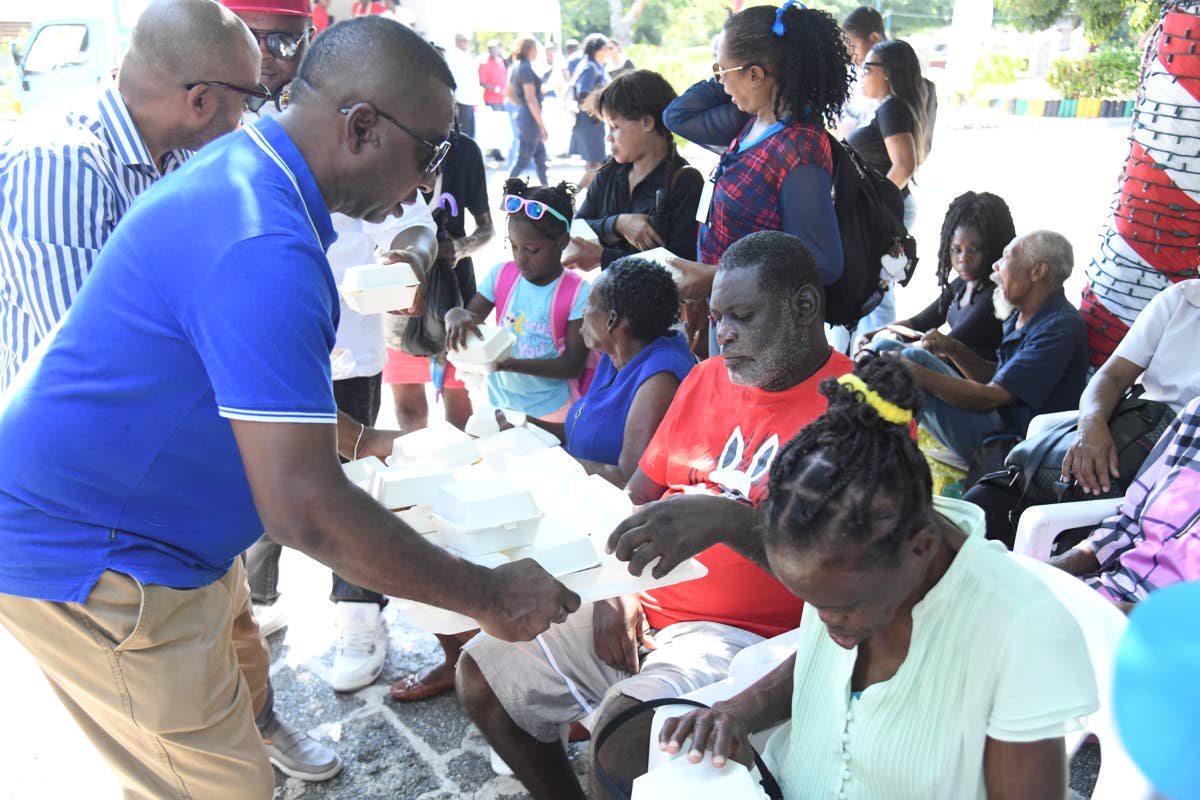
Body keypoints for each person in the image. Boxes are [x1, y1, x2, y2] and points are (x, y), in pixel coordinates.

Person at [0, 18, 580, 799]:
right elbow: (303, 511)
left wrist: (361, 440)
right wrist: (490, 596)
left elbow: (240, 382)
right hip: (101, 556)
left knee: (241, 700)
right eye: (431, 153)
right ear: (363, 127)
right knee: (222, 788)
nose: (427, 185)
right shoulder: (260, 239)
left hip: (173, 545)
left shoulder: (251, 178)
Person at [456, 231, 855, 800]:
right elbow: (632, 499)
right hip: (637, 604)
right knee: (485, 673)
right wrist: (609, 591)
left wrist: (728, 521)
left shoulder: (857, 414)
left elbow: (853, 586)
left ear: (805, 307)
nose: (725, 334)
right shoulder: (705, 378)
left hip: (748, 637)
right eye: (717, 317)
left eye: (742, 315)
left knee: (622, 740)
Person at [655, 356, 1098, 800]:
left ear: (922, 546)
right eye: (815, 605)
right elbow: (821, 670)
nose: (830, 629)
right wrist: (738, 711)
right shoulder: (851, 549)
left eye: (845, 609)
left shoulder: (1019, 632)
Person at [223, 0, 441, 705]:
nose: (273, 52)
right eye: (262, 39)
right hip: (274, 368)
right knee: (281, 494)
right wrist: (485, 594)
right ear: (360, 130)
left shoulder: (335, 136)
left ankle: (357, 616)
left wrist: (409, 260)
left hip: (349, 352)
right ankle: (252, 604)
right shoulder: (256, 200)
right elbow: (301, 497)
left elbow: (419, 224)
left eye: (286, 38)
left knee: (353, 480)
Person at [0, 0, 261, 393]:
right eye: (250, 99)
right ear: (201, 101)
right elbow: (91, 351)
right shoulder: (61, 163)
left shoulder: (180, 154)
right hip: (74, 439)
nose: (248, 115)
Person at [661, 3, 848, 309]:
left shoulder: (798, 149)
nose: (719, 82)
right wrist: (732, 73)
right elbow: (677, 116)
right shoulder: (752, 120)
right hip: (731, 313)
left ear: (756, 75)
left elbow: (822, 264)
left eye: (721, 71)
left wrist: (716, 274)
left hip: (763, 330)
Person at [895, 230, 1089, 463]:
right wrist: (953, 349)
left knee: (907, 362)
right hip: (996, 421)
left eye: (1006, 258)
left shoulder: (1060, 326)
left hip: (1012, 444)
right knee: (900, 353)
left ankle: (876, 453)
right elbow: (998, 377)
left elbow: (992, 397)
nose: (996, 267)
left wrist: (910, 371)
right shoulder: (1021, 314)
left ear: (1037, 271)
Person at [529, 256, 695, 486]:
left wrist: (544, 461)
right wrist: (527, 428)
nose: (583, 312)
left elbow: (631, 482)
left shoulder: (659, 379)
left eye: (588, 304)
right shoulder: (616, 353)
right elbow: (585, 428)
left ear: (612, 321)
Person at [445, 180, 589, 422]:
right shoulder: (502, 275)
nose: (521, 258)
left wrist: (507, 364)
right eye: (514, 246)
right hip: (499, 403)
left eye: (532, 250)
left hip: (551, 412)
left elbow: (572, 365)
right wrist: (454, 314)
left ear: (562, 242)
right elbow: (470, 320)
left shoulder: (577, 292)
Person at [383, 128, 494, 436]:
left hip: (455, 295)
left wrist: (461, 246)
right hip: (400, 293)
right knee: (409, 412)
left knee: (460, 412)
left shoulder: (465, 151)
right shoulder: (386, 143)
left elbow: (488, 230)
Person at [1052, 395, 1200, 614]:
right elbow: (1129, 521)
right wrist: (1059, 565)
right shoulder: (1196, 416)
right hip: (1109, 592)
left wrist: (1121, 613)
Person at [1062, 278, 1200, 496]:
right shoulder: (1180, 299)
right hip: (1141, 431)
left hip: (1186, 470)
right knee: (1010, 493)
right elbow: (1112, 376)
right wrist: (1091, 424)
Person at [562, 70, 703, 271]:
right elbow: (577, 230)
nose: (608, 137)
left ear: (647, 122)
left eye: (615, 126)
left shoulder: (686, 182)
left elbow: (681, 267)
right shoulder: (608, 171)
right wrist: (618, 224)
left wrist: (605, 257)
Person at [860, 191, 1013, 362]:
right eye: (956, 250)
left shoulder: (994, 296)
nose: (963, 259)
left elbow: (944, 345)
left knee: (894, 352)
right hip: (947, 374)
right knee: (884, 345)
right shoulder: (962, 284)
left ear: (994, 247)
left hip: (972, 383)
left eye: (974, 249)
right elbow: (918, 323)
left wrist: (878, 347)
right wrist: (872, 334)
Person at [848, 39, 927, 228]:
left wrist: (876, 206)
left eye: (867, 68)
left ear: (887, 72)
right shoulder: (884, 108)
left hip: (886, 214)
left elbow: (904, 165)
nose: (861, 74)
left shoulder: (893, 109)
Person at [841, 5, 938, 156]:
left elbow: (908, 161)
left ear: (874, 38)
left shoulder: (899, 102)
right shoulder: (858, 83)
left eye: (852, 46)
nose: (850, 56)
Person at [569, 34, 611, 189]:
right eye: (606, 48)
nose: (608, 51)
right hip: (589, 120)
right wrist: (595, 113)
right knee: (595, 163)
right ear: (597, 50)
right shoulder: (590, 67)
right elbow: (583, 94)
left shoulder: (595, 66)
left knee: (595, 162)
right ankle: (575, 194)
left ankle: (586, 196)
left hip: (593, 120)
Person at [508, 36, 550, 185]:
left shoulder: (516, 66)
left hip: (525, 115)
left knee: (540, 158)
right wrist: (542, 125)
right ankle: (506, 193)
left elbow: (509, 93)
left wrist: (521, 106)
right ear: (530, 49)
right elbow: (531, 98)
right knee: (523, 159)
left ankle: (548, 190)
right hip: (529, 118)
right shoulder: (525, 68)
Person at [448, 33, 481, 138]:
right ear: (459, 42)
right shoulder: (453, 57)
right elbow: (453, 80)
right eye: (465, 41)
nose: (467, 44)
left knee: (469, 133)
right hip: (460, 102)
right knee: (463, 134)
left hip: (468, 101)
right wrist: (454, 102)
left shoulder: (465, 57)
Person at [479, 39, 508, 111]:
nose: (494, 50)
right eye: (492, 48)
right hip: (492, 101)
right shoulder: (484, 63)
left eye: (496, 48)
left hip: (504, 99)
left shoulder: (501, 61)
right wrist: (497, 89)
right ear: (488, 50)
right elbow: (482, 82)